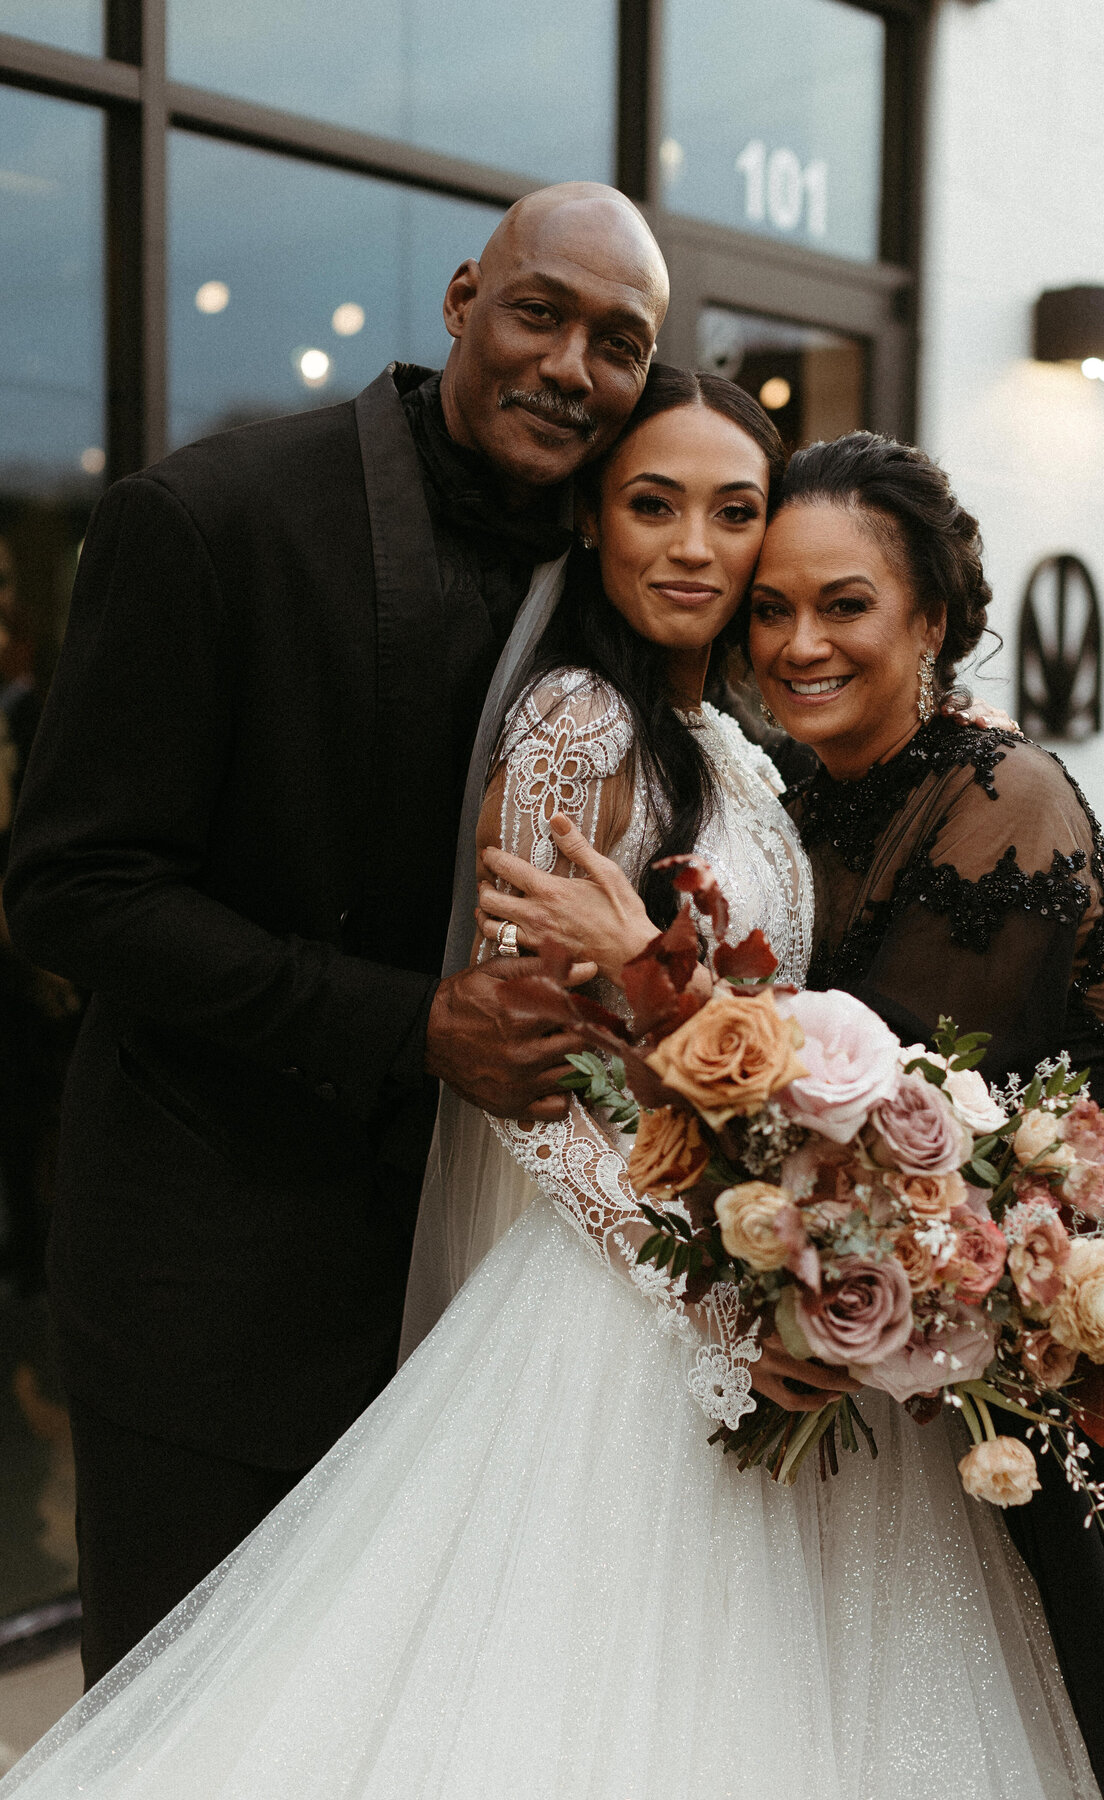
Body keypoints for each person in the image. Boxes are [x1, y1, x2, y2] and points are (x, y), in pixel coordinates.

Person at [0, 373, 1101, 1800]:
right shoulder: (578, 727)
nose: (697, 547)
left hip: (732, 1266)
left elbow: (726, 1024)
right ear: (590, 525)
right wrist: (713, 1289)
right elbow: (532, 1086)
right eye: (653, 504)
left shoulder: (723, 744)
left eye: (734, 513)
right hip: (622, 1305)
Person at [1, 180, 670, 1687]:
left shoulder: (622, 565)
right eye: (540, 311)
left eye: (618, 343)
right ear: (458, 300)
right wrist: (413, 1024)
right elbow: (72, 889)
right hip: (213, 1294)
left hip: (480, 1316)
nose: (572, 365)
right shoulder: (207, 519)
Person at [479, 430, 1104, 1800]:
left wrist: (647, 976)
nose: (799, 642)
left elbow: (876, 1132)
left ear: (932, 617)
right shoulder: (773, 781)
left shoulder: (1002, 806)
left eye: (845, 604)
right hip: (878, 1354)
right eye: (773, 606)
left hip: (1031, 1380)